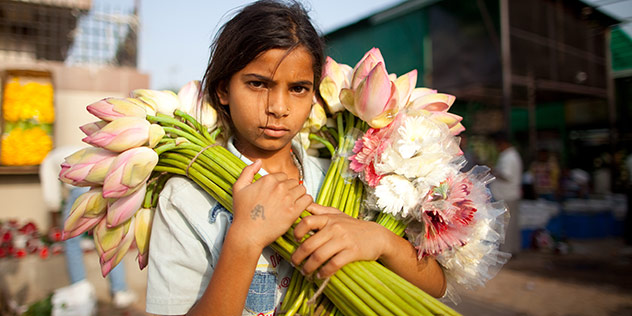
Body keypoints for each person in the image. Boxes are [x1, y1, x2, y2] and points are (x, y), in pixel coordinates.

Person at [145, 1, 446, 315]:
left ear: (315, 95)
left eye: (298, 88)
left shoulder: (348, 179)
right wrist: (245, 240)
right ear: (223, 90)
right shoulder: (187, 199)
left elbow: (436, 287)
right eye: (258, 84)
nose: (278, 107)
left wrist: (382, 241)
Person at [39, 146, 137, 313]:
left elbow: (52, 196)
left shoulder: (48, 161)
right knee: (110, 239)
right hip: (105, 188)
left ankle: (79, 287)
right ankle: (120, 291)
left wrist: (55, 223)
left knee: (71, 241)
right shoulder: (82, 149)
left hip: (81, 190)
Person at [488, 132, 523, 256]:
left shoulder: (509, 157)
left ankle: (506, 251)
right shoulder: (511, 155)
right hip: (509, 194)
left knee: (506, 225)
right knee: (510, 224)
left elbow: (506, 175)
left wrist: (493, 171)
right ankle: (511, 249)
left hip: (506, 195)